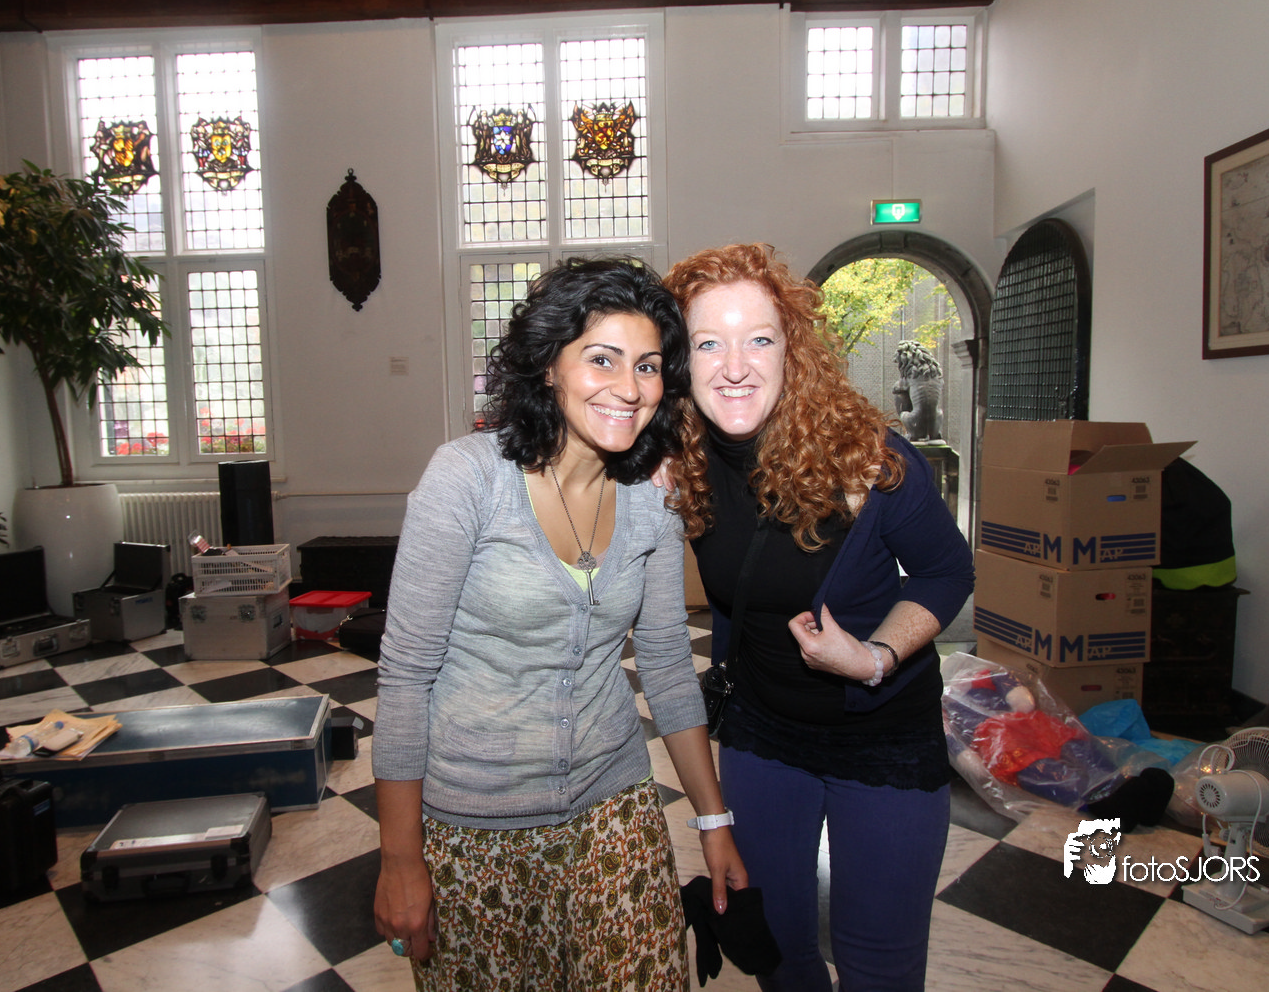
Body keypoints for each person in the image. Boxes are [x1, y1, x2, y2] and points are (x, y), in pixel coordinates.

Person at [372, 257, 748, 990]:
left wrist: (713, 819)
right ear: (549, 366)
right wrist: (400, 858)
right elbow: (406, 676)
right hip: (473, 827)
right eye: (601, 358)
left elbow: (668, 663)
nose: (629, 387)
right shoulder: (467, 479)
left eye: (647, 366)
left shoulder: (650, 497)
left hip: (615, 807)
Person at [661, 243, 974, 991]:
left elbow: (947, 570)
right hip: (763, 735)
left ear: (792, 351)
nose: (735, 366)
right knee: (776, 949)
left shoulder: (867, 462)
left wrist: (874, 656)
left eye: (758, 339)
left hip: (885, 738)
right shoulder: (678, 463)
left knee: (879, 964)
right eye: (708, 343)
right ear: (677, 361)